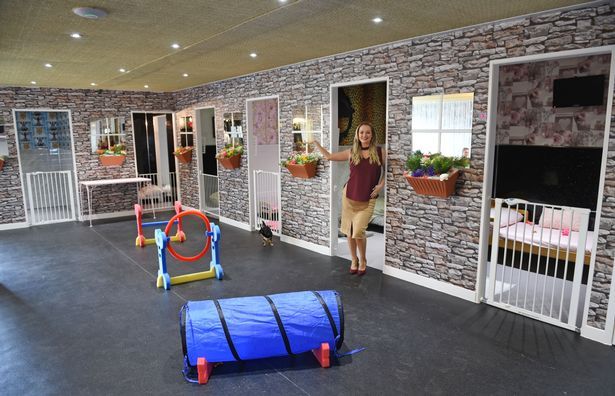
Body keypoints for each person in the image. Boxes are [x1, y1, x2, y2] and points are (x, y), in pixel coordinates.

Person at [313, 122, 386, 276]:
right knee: (348, 231)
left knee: (358, 231)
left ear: (372, 135)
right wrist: (316, 143)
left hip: (368, 199)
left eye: (367, 132)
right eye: (361, 133)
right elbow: (329, 157)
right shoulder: (351, 152)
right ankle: (354, 260)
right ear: (357, 135)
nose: (364, 135)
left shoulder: (380, 152)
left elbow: (390, 171)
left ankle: (363, 260)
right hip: (349, 197)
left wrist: (381, 185)